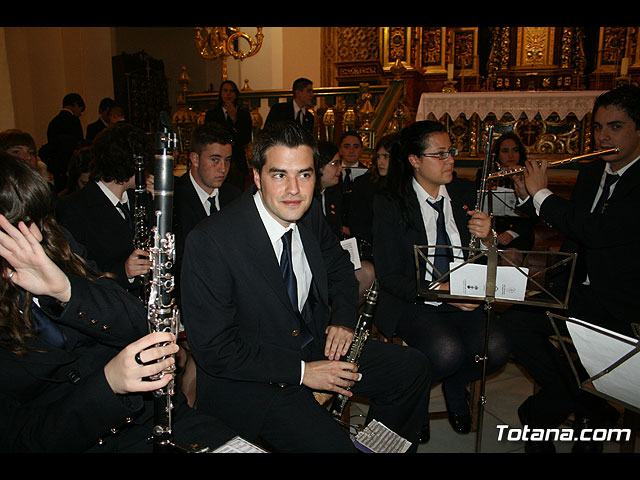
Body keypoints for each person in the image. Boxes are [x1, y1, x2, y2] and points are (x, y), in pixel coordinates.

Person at [180, 121, 431, 453]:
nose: (294, 190)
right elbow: (215, 350)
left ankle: (377, 448)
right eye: (280, 175)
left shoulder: (308, 215)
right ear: (257, 177)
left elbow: (341, 268)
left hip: (311, 346)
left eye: (305, 175)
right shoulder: (211, 241)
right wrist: (302, 373)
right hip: (254, 378)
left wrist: (341, 319)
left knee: (412, 368)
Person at [0, 152, 237, 452]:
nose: (33, 236)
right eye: (14, 228)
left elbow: (139, 322)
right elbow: (22, 439)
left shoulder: (56, 243)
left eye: (34, 221)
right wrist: (107, 384)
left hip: (156, 422)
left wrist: (65, 290)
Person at [505, 85, 640, 453]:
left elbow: (597, 233)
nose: (602, 137)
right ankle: (592, 407)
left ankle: (547, 415)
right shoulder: (592, 173)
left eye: (615, 127)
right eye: (597, 128)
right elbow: (572, 225)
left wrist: (543, 195)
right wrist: (526, 195)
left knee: (570, 353)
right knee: (515, 323)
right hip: (575, 289)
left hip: (623, 303)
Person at [372, 120, 511, 443]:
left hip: (463, 299)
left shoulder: (464, 193)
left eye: (452, 152)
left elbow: (484, 259)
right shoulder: (391, 202)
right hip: (415, 300)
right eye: (440, 154)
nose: (451, 160)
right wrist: (443, 293)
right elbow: (390, 275)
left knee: (495, 349)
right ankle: (414, 398)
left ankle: (453, 383)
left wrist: (488, 238)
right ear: (414, 160)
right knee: (445, 351)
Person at [56, 123, 153, 294]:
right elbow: (75, 273)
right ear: (132, 163)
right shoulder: (72, 208)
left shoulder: (141, 198)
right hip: (110, 308)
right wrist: (124, 272)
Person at [317, 141, 375, 305]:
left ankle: (340, 320)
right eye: (335, 163)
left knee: (367, 271)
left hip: (332, 260)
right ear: (319, 165)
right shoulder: (305, 200)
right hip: (316, 265)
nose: (340, 169)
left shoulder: (331, 195)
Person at [475, 132, 536, 253]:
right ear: (497, 154)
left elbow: (536, 213)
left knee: (511, 256)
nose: (511, 155)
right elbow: (477, 204)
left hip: (520, 231)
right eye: (505, 151)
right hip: (490, 230)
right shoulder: (486, 173)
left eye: (515, 150)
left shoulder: (529, 174)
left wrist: (511, 233)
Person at [348, 133, 399, 251]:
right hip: (372, 248)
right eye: (378, 156)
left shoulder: (408, 185)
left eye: (386, 156)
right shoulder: (364, 183)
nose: (380, 161)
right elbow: (357, 224)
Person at [205, 80, 253, 189]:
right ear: (221, 93)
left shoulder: (243, 114)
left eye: (231, 91)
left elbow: (245, 138)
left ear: (236, 94)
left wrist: (234, 120)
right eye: (225, 91)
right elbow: (209, 136)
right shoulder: (212, 114)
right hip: (216, 155)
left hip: (236, 157)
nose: (228, 94)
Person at [42, 93, 86, 192]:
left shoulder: (53, 122)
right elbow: (79, 144)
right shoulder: (74, 121)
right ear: (75, 105)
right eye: (80, 108)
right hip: (70, 165)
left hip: (56, 166)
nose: (80, 113)